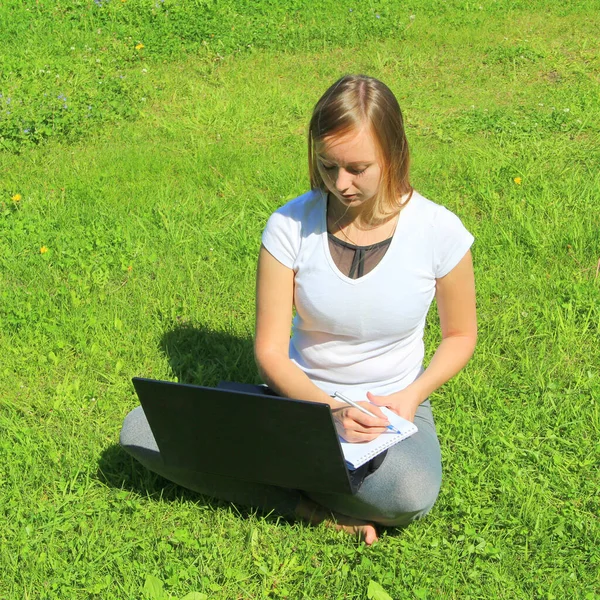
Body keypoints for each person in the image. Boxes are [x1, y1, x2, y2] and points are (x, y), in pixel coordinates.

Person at [120, 75, 477, 545]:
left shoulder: (439, 231)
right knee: (140, 430)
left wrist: (411, 396)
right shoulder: (289, 225)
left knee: (409, 494)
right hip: (299, 404)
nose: (340, 183)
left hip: (389, 411)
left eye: (357, 168)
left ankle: (258, 473)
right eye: (328, 166)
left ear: (393, 152)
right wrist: (327, 412)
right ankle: (308, 507)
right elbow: (270, 351)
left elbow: (460, 336)